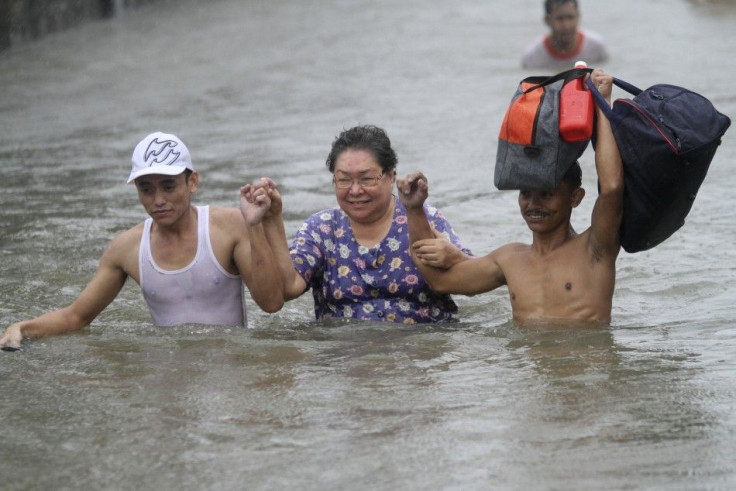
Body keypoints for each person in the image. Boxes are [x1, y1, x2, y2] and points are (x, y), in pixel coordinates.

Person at [0, 132, 283, 351]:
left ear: (192, 182)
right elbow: (76, 317)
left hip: (231, 371)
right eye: (146, 189)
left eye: (168, 186)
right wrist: (23, 328)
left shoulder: (230, 226)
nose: (158, 200)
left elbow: (271, 303)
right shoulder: (126, 248)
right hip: (166, 378)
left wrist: (255, 226)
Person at [398, 68, 623, 325]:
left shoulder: (595, 248)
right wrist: (415, 209)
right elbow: (440, 281)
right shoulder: (510, 259)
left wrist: (603, 104)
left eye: (546, 194)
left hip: (584, 362)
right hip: (528, 365)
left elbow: (612, 188)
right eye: (525, 193)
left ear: (576, 197)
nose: (533, 204)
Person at [250, 125, 472, 323]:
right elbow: (287, 289)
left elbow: (475, 280)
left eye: (366, 179)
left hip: (418, 358)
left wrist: (456, 258)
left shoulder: (423, 218)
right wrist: (272, 218)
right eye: (344, 180)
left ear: (390, 176)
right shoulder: (322, 229)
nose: (355, 190)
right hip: (345, 357)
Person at [521, 0, 608, 70]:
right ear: (547, 20)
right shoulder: (533, 57)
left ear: (578, 17)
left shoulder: (596, 47)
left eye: (570, 17)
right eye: (560, 18)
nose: (566, 25)